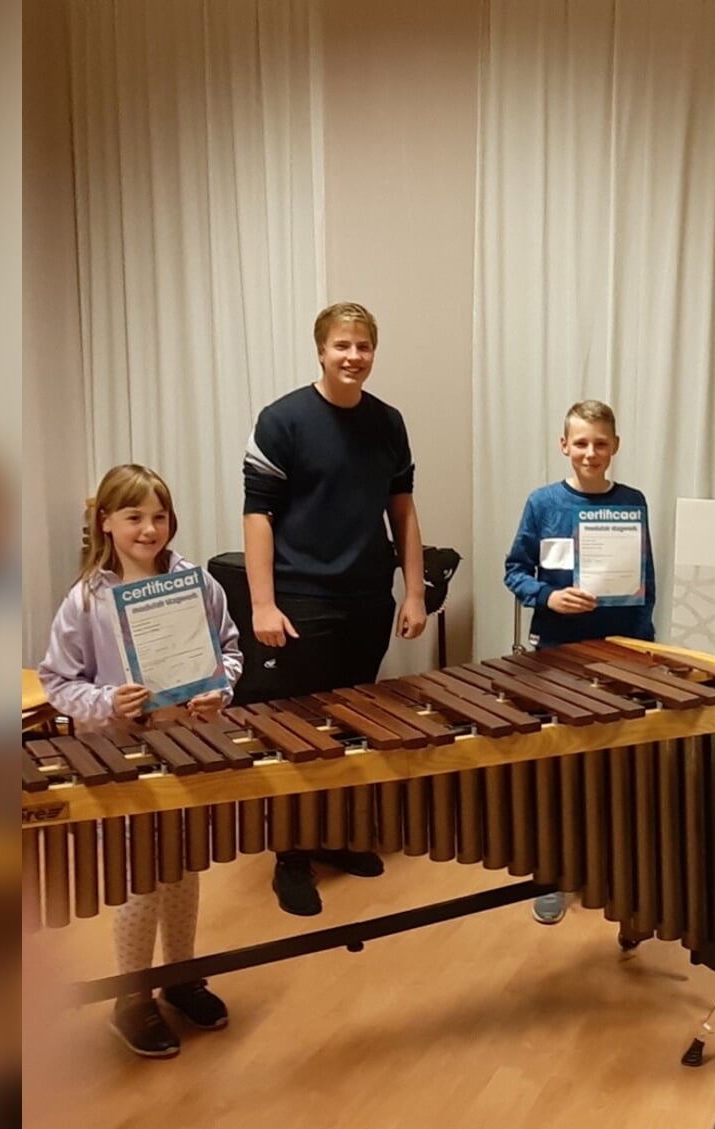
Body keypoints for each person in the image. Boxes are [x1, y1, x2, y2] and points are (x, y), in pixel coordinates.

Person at [38, 464, 244, 1058]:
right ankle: (132, 998)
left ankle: (180, 976)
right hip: (121, 753)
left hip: (189, 746)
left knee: (183, 867)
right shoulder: (84, 600)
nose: (148, 529)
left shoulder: (198, 585)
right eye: (133, 517)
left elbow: (228, 651)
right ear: (106, 522)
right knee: (140, 879)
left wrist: (218, 690)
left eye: (158, 516)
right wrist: (107, 701)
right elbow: (57, 680)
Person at [241, 301, 427, 916]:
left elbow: (401, 510)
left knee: (347, 728)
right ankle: (290, 854)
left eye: (363, 347)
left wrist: (416, 589)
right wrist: (262, 603)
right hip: (299, 601)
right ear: (321, 350)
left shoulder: (389, 423)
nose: (353, 357)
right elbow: (257, 516)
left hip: (367, 598)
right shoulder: (281, 420)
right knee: (297, 732)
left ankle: (328, 836)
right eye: (342, 346)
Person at [505, 399, 656, 923]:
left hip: (622, 653)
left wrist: (646, 648)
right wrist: (547, 598)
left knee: (615, 764)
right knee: (559, 764)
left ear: (614, 446)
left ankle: (610, 868)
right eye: (581, 443)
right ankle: (552, 873)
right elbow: (516, 569)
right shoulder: (543, 503)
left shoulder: (633, 501)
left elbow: (645, 583)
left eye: (601, 443)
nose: (591, 452)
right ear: (564, 446)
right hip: (557, 653)